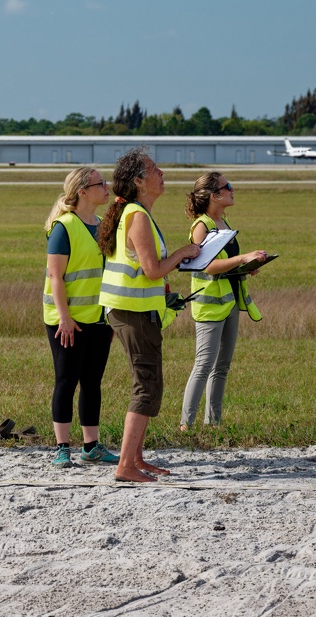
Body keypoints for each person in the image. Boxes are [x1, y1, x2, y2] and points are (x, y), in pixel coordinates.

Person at [97, 147, 200, 482]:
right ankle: (126, 465)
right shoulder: (137, 216)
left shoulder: (133, 212)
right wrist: (183, 253)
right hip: (132, 312)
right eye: (154, 170)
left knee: (149, 383)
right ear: (139, 182)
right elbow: (152, 269)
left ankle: (136, 459)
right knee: (146, 385)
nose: (162, 174)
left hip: (133, 310)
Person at [43, 166, 119, 468]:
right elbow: (55, 276)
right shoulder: (64, 226)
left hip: (98, 319)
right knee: (66, 380)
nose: (107, 187)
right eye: (100, 183)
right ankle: (62, 446)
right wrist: (64, 317)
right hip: (67, 320)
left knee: (92, 382)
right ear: (82, 192)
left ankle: (91, 445)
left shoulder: (102, 225)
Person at [179, 173, 267, 431]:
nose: (232, 190)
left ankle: (213, 424)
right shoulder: (202, 226)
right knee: (204, 364)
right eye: (227, 187)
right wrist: (242, 258)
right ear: (214, 195)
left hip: (229, 301)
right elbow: (208, 267)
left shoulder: (223, 221)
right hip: (209, 305)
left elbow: (224, 266)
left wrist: (246, 267)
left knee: (222, 366)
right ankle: (186, 425)